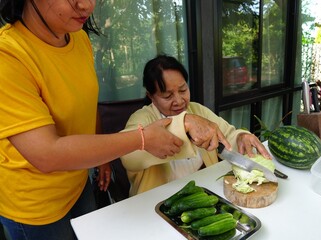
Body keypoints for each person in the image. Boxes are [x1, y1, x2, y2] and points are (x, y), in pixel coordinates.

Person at [0, 1, 230, 240]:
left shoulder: (77, 39)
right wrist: (142, 139)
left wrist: (102, 159)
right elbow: (46, 154)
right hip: (35, 205)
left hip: (78, 184)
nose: (87, 5)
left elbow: (87, 106)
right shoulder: (8, 56)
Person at [121, 54, 272, 196]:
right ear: (151, 96)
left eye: (183, 90)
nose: (179, 101)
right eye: (167, 96)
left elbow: (227, 135)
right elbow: (128, 157)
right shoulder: (142, 119)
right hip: (158, 202)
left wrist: (240, 137)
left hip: (205, 192)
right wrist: (184, 124)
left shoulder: (197, 110)